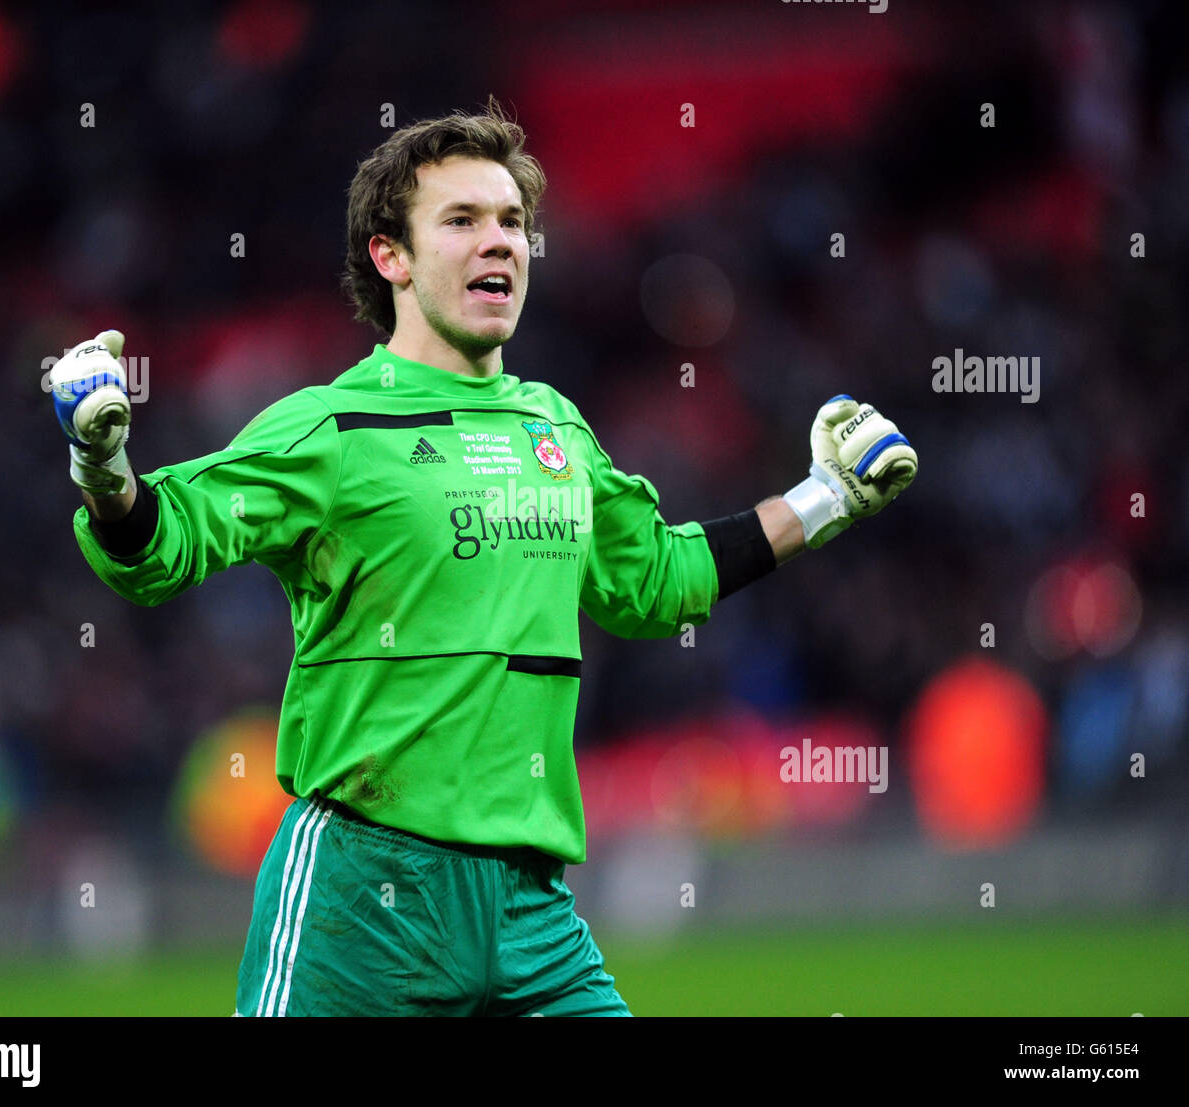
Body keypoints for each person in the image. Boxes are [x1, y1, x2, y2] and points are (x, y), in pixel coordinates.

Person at [50, 96, 916, 1016]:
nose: (498, 240)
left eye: (511, 221)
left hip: (529, 909)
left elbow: (656, 583)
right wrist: (103, 466)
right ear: (392, 257)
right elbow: (163, 548)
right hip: (365, 897)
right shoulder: (332, 427)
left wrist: (825, 498)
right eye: (461, 220)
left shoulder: (554, 426)